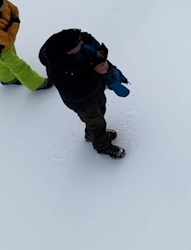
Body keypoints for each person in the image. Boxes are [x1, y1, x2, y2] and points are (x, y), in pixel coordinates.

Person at [40, 28, 129, 159]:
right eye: (79, 44)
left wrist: (98, 53)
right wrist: (96, 73)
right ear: (68, 51)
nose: (83, 44)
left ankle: (90, 134)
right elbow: (77, 94)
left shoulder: (71, 41)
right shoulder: (58, 70)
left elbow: (86, 37)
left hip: (96, 90)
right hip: (83, 103)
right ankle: (102, 146)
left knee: (101, 109)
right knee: (97, 123)